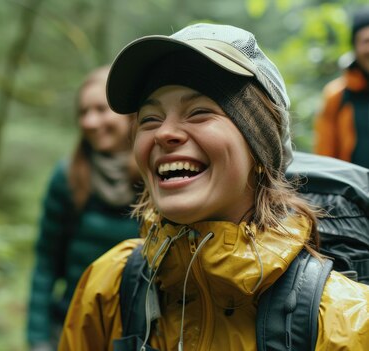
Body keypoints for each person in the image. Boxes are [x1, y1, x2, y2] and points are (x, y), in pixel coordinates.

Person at [58, 23, 369, 351]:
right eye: (150, 118)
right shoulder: (109, 289)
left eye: (199, 112)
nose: (164, 133)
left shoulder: (344, 323)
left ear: (259, 146)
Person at [26, 66, 141, 351]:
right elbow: (46, 262)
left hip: (136, 332)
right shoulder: (67, 176)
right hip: (71, 327)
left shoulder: (156, 174)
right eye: (83, 112)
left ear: (128, 113)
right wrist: (38, 339)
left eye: (101, 109)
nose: (90, 121)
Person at [314, 7, 369, 167]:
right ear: (354, 47)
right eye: (366, 41)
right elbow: (325, 159)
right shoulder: (337, 96)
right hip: (354, 190)